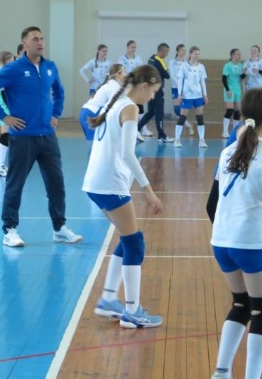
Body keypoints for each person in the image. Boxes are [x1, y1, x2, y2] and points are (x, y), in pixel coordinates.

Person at [206, 88, 262, 379]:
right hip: (250, 245)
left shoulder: (227, 151)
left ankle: (221, 372)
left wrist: (228, 232)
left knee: (242, 304)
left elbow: (210, 205)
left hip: (221, 243)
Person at [0, 26, 82, 247]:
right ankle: (9, 230)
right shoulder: (14, 69)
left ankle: (59, 229)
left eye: (42, 38)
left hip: (48, 137)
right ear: (25, 43)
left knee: (56, 185)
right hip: (23, 137)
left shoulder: (49, 67)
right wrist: (5, 117)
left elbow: (60, 92)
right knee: (15, 184)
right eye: (35, 39)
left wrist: (56, 114)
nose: (40, 42)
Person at [85, 64, 165, 329]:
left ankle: (109, 299)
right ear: (143, 86)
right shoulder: (129, 108)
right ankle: (132, 312)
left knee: (129, 238)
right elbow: (128, 154)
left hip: (96, 182)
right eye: (152, 92)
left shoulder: (116, 102)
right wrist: (149, 190)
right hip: (109, 183)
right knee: (135, 244)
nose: (151, 97)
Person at [79, 64, 126, 145]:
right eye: (124, 72)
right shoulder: (114, 87)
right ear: (117, 75)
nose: (126, 74)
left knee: (93, 146)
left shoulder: (109, 84)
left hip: (85, 113)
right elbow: (114, 107)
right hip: (91, 114)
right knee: (95, 146)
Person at [173, 46, 209, 148]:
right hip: (187, 96)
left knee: (200, 118)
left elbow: (202, 81)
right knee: (182, 117)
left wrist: (205, 95)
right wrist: (179, 94)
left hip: (198, 96)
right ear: (190, 54)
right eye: (195, 54)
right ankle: (177, 139)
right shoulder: (184, 66)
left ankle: (202, 140)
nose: (197, 56)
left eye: (198, 54)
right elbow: (180, 80)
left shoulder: (201, 67)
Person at [137, 43, 172, 142]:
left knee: (151, 112)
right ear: (162, 51)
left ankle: (137, 129)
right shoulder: (159, 61)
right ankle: (161, 136)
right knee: (159, 113)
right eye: (167, 52)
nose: (167, 54)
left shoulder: (151, 59)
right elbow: (167, 75)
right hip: (157, 91)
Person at [119, 40, 151, 136]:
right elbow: (121, 73)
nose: (134, 49)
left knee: (140, 107)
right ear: (127, 47)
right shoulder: (121, 59)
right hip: (127, 87)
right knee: (127, 107)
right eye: (132, 47)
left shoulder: (138, 58)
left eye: (135, 47)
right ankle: (125, 128)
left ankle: (144, 128)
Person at [168, 44, 192, 137]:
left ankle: (184, 126)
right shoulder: (172, 62)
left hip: (184, 88)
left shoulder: (187, 63)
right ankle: (188, 124)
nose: (184, 52)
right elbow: (172, 74)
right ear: (177, 51)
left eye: (185, 50)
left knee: (184, 108)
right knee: (177, 109)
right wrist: (178, 84)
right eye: (182, 50)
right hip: (175, 87)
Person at [222, 48, 244, 137]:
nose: (239, 56)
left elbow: (242, 77)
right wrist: (227, 90)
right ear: (232, 55)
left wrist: (246, 72)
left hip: (238, 89)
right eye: (238, 54)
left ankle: (235, 131)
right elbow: (224, 79)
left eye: (240, 54)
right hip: (230, 89)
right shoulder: (228, 66)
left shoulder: (241, 65)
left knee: (237, 111)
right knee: (229, 110)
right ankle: (225, 131)